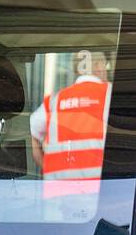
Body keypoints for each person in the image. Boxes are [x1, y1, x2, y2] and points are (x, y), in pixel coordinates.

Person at [30, 48, 113, 200]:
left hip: (59, 195)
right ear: (100, 65)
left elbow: (32, 135)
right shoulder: (111, 95)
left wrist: (48, 169)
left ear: (77, 70)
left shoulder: (54, 100)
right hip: (102, 193)